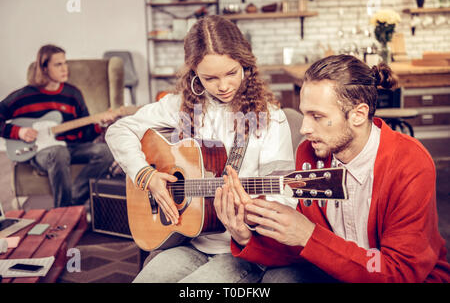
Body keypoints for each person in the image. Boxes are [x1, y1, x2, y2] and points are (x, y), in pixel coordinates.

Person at [218, 54, 450, 283]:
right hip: (333, 273)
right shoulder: (309, 154)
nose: (304, 129)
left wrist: (309, 234)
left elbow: (399, 272)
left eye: (317, 116)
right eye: (304, 114)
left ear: (358, 115)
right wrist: (246, 236)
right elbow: (308, 250)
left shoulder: (409, 163)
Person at [105, 15, 296, 283]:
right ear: (195, 74)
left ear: (245, 64)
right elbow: (118, 130)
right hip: (191, 240)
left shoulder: (270, 118)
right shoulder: (179, 106)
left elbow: (284, 195)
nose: (224, 86)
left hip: (241, 250)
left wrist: (248, 212)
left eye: (231, 72)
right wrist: (146, 176)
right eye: (210, 78)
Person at [0, 44, 116, 207]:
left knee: (107, 151)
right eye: (58, 64)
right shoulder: (23, 96)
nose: (65, 69)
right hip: (40, 152)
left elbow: (85, 135)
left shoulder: (73, 94)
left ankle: (72, 200)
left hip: (71, 147)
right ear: (44, 68)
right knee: (58, 152)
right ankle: (64, 210)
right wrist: (18, 132)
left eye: (65, 63)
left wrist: (100, 125)